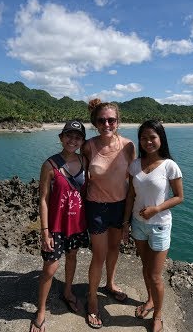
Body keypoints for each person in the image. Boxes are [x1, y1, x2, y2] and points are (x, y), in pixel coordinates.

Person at [123, 120, 184, 332]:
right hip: (138, 225)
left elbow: (179, 197)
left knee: (156, 275)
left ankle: (158, 315)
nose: (148, 141)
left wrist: (156, 209)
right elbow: (130, 195)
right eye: (144, 138)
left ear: (161, 139)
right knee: (146, 268)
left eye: (152, 137)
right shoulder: (135, 165)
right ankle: (150, 300)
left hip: (159, 225)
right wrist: (125, 224)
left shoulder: (170, 165)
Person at [30, 120, 89, 332]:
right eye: (69, 136)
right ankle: (41, 310)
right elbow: (43, 199)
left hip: (76, 224)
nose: (73, 140)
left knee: (72, 257)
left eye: (78, 137)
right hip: (55, 226)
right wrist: (44, 231)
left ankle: (67, 292)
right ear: (61, 138)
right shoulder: (49, 165)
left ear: (82, 141)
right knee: (50, 268)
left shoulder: (85, 161)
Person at [82, 98, 136, 329]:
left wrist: (130, 215)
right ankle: (92, 298)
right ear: (95, 122)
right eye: (102, 120)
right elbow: (80, 177)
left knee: (115, 249)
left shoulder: (128, 145)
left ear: (118, 121)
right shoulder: (89, 146)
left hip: (120, 205)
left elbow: (133, 180)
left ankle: (110, 284)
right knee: (99, 255)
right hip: (96, 207)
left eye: (111, 120)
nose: (107, 124)